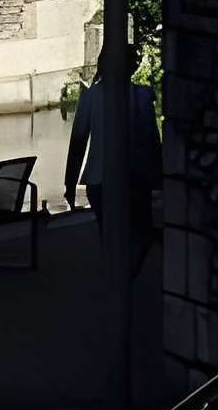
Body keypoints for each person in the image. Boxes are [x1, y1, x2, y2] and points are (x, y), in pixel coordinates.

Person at [64, 46, 162, 272]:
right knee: (141, 233)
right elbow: (152, 143)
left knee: (110, 237)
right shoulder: (140, 96)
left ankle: (117, 281)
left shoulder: (90, 97)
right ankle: (125, 278)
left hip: (99, 181)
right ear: (131, 67)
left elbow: (78, 142)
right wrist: (157, 178)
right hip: (134, 179)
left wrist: (70, 184)